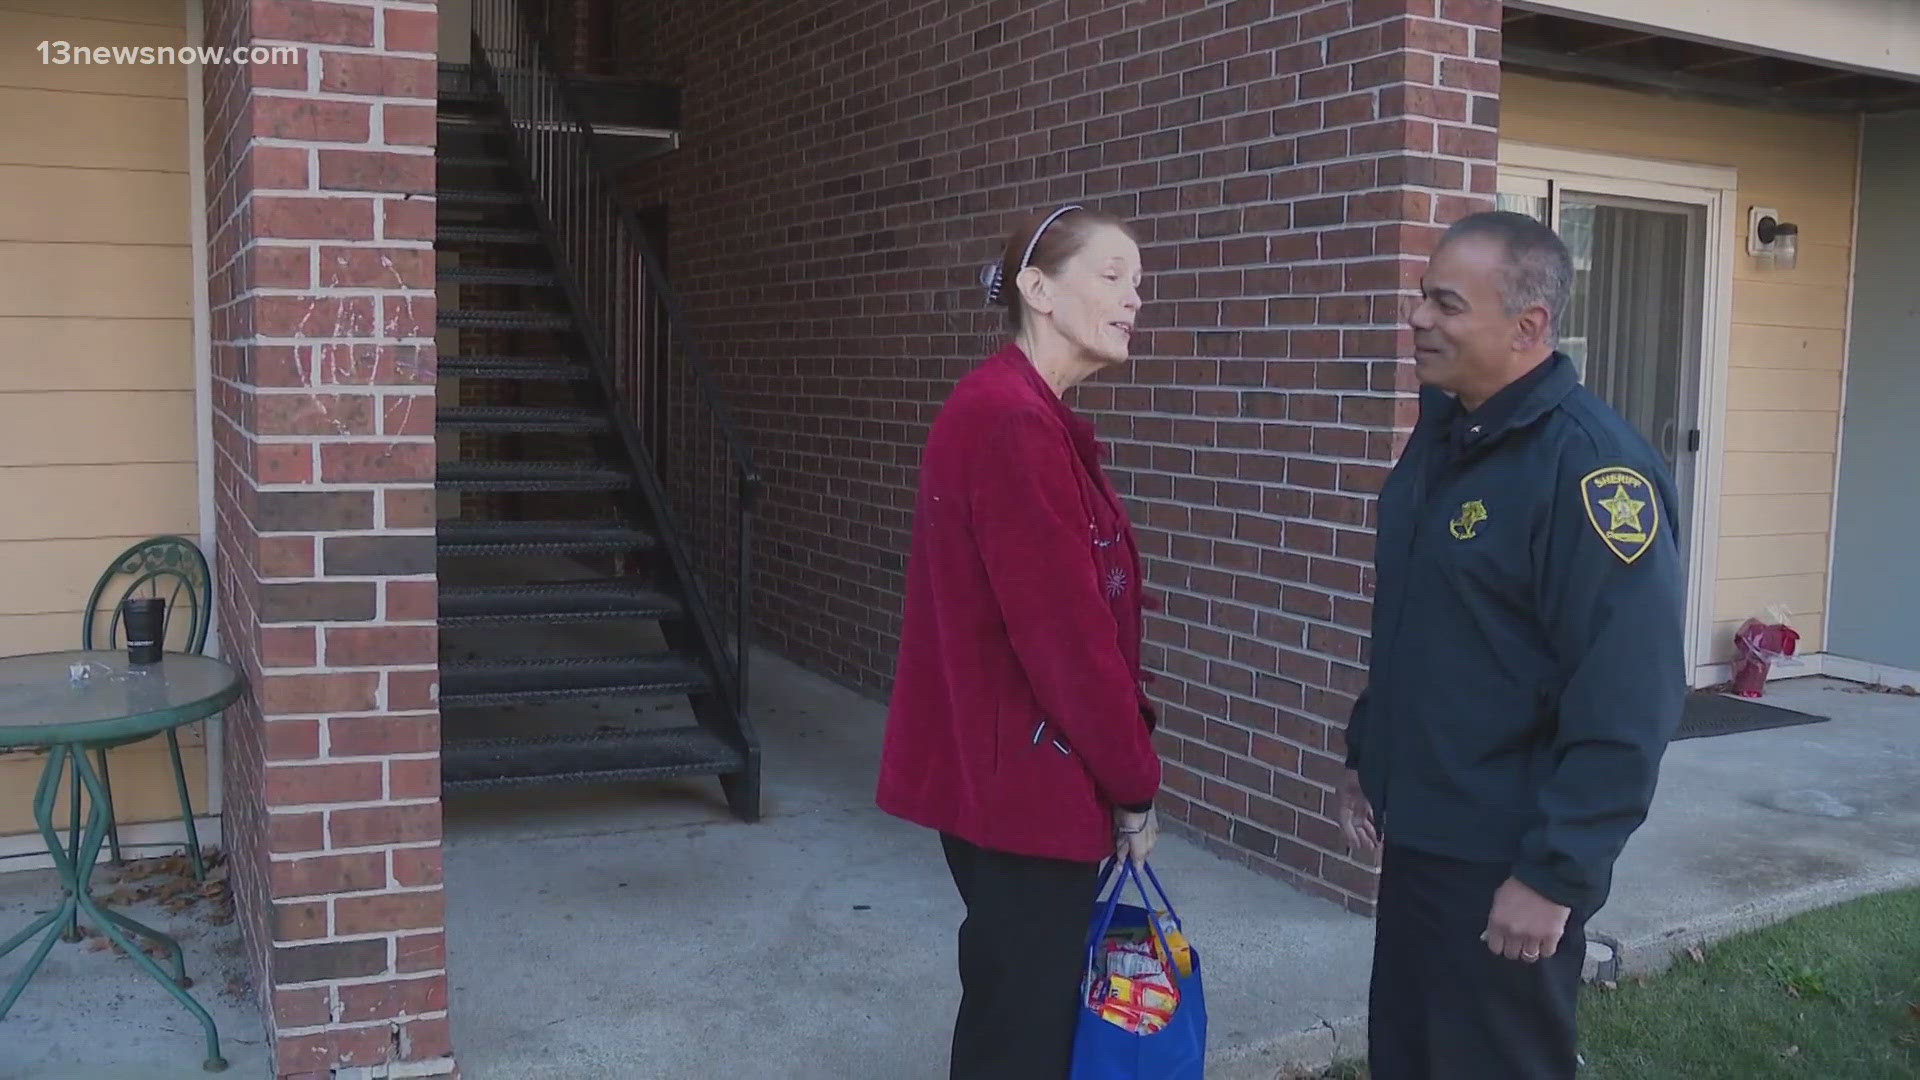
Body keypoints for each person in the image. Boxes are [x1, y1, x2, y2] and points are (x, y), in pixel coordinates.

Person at [1338, 210, 1687, 1079]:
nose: (1419, 319)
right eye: (1423, 299)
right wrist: (1366, 752)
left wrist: (1556, 874)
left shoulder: (1592, 471)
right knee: (1410, 1058)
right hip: (1422, 836)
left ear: (1528, 326)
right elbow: (1427, 623)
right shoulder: (1448, 434)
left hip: (1505, 857)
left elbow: (1628, 696)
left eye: (1446, 305)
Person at [876, 204, 1164, 1080]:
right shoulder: (1012, 423)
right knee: (1023, 1035)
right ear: (1038, 291)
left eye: (1140, 283)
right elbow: (1067, 643)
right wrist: (1134, 783)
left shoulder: (1020, 412)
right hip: (1029, 789)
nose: (1134, 299)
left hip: (1012, 777)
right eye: (1111, 276)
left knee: (1016, 1011)